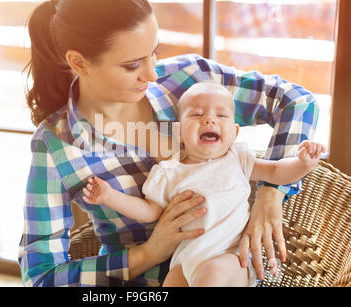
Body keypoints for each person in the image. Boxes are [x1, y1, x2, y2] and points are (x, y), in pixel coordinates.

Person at [18, 0, 320, 287]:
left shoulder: (188, 81)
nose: (151, 74)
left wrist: (270, 195)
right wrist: (149, 253)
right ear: (79, 63)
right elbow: (42, 276)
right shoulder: (56, 146)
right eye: (132, 64)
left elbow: (297, 102)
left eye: (154, 53)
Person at [81, 81, 326, 286]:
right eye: (197, 114)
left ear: (235, 132)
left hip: (230, 259)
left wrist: (303, 164)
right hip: (184, 262)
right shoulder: (169, 171)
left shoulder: (238, 159)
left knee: (213, 275)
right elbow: (148, 212)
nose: (210, 120)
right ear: (178, 133)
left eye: (221, 115)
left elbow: (276, 172)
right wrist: (110, 197)